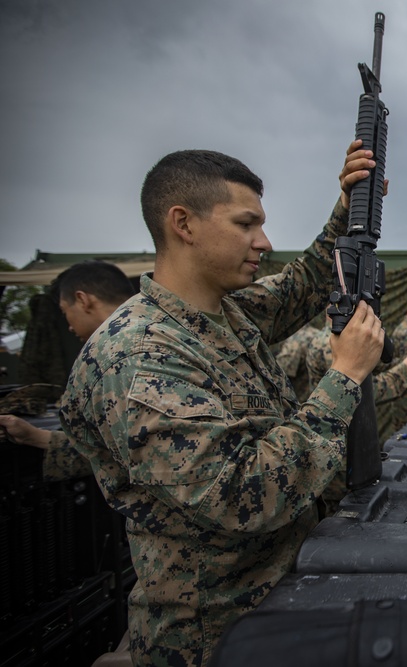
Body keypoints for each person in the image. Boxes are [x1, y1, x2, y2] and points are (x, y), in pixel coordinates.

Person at [59, 142, 385, 666]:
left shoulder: (223, 313)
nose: (263, 241)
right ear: (183, 223)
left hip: (276, 603)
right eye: (245, 224)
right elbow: (240, 494)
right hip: (213, 635)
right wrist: (343, 377)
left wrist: (349, 207)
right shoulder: (140, 355)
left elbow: (303, 284)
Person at [0, 261, 135, 480]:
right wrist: (35, 436)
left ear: (83, 300)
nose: (70, 326)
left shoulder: (115, 352)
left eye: (65, 312)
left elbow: (132, 455)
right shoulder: (157, 333)